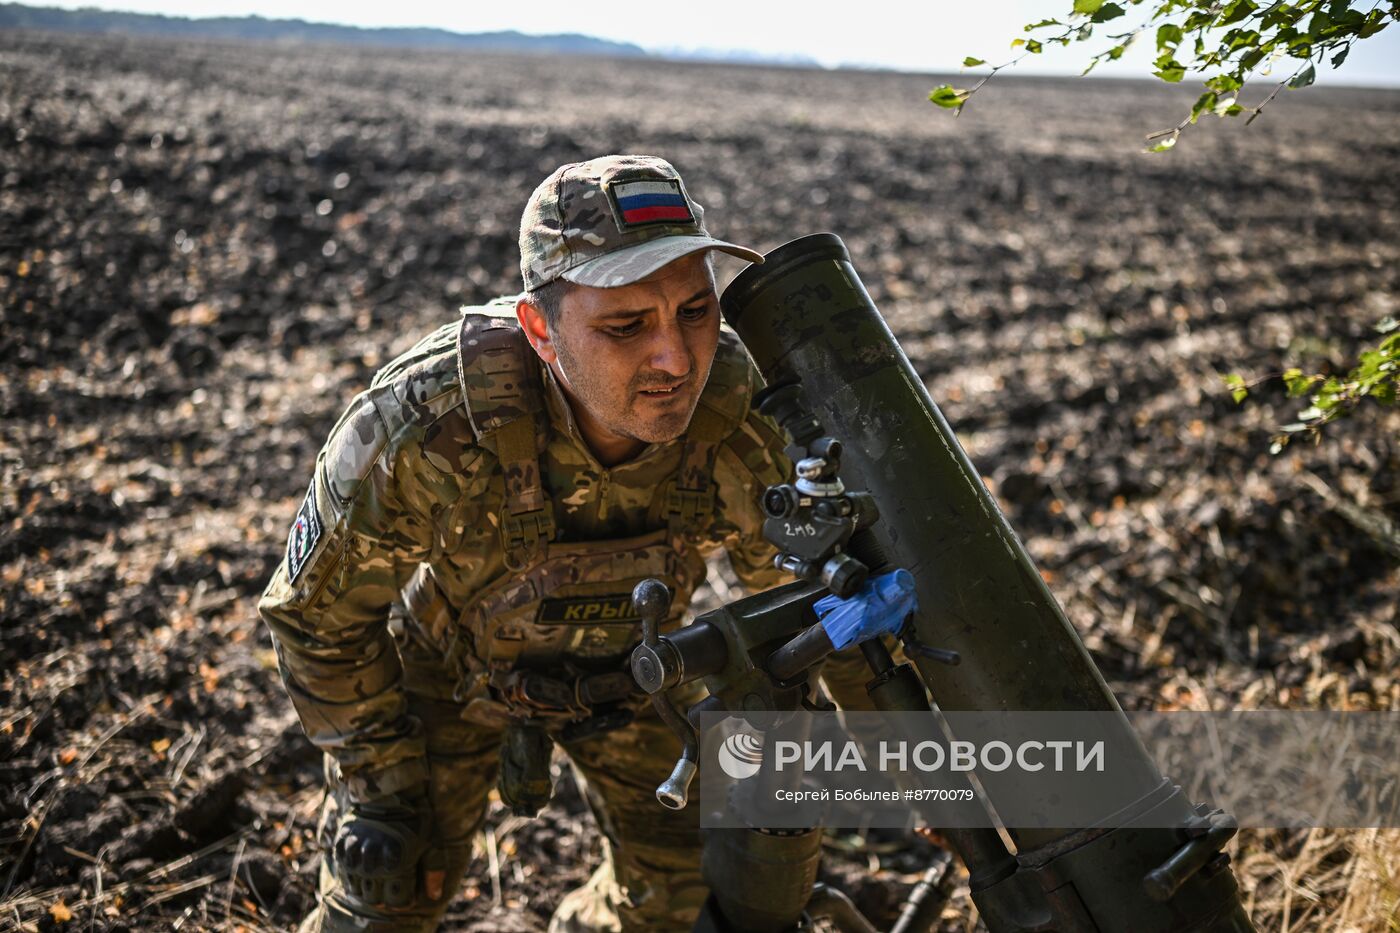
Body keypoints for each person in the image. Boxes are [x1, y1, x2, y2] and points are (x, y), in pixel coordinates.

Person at [258, 154, 877, 933]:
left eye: (695, 311)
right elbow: (317, 616)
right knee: (388, 884)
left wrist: (925, 771)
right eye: (625, 325)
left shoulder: (744, 418)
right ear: (541, 331)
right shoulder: (427, 422)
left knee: (685, 893)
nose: (677, 360)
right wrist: (380, 781)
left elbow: (813, 617)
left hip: (639, 677)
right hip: (446, 676)